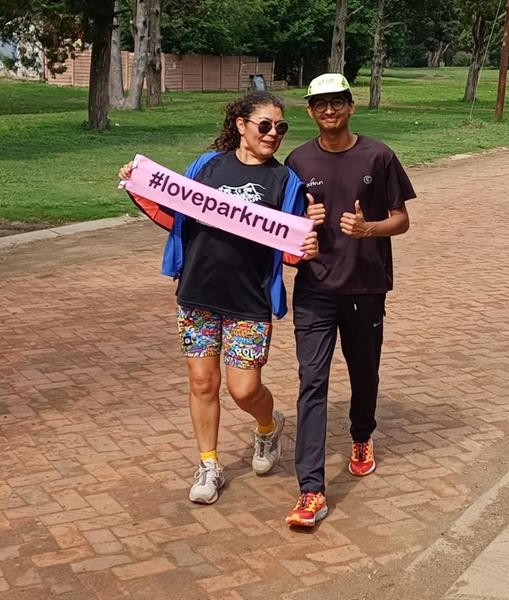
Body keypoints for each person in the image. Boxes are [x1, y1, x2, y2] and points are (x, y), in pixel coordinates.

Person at [118, 91, 318, 505]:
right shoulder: (207, 167)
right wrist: (138, 187)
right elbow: (176, 214)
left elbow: (293, 244)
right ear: (241, 125)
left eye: (281, 127)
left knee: (244, 390)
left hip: (249, 298)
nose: (274, 134)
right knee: (202, 382)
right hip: (197, 293)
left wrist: (307, 247)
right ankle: (208, 464)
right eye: (265, 125)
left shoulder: (285, 181)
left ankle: (267, 425)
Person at [283, 74, 416, 527]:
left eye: (337, 102)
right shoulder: (297, 161)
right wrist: (303, 221)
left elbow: (402, 220)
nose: (329, 111)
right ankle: (311, 489)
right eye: (320, 105)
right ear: (310, 112)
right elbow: (280, 225)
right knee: (312, 382)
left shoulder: (377, 155)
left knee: (364, 372)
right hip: (314, 289)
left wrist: (369, 229)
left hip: (365, 286)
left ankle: (361, 435)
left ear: (351, 106)